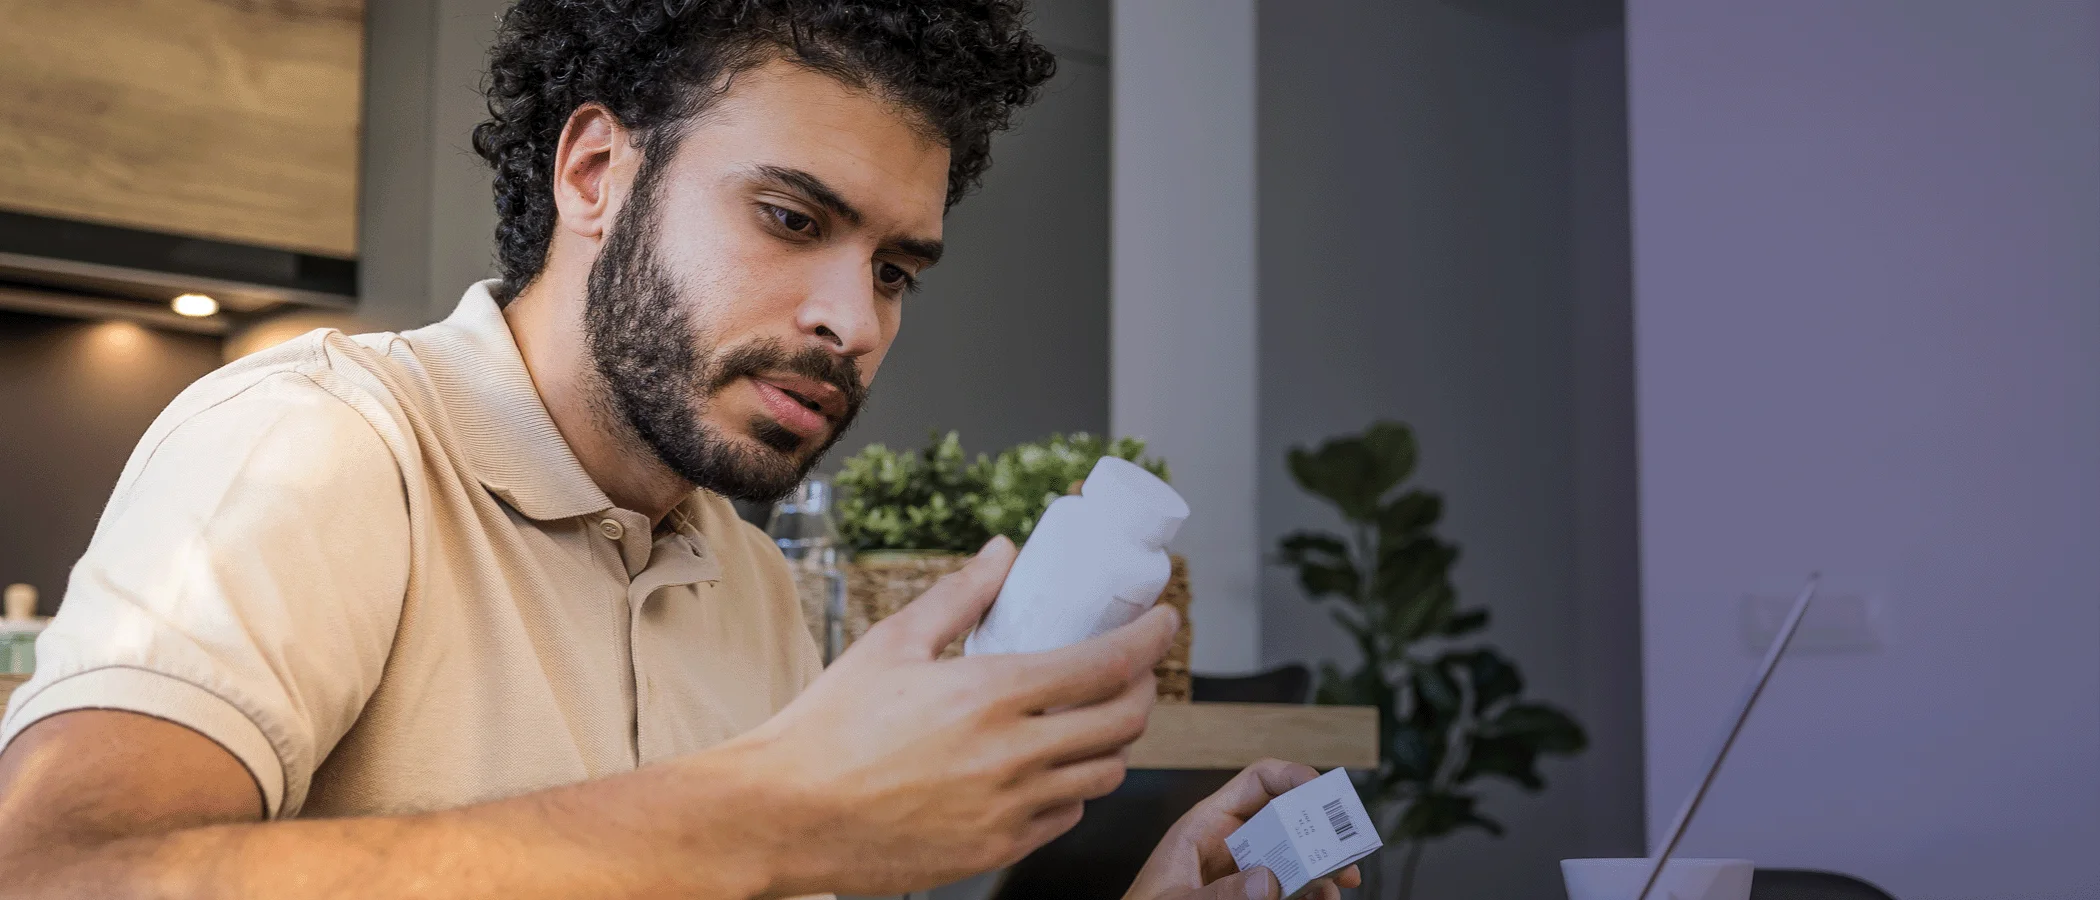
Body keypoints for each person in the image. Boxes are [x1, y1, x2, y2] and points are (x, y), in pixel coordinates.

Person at [0, 2, 1358, 898]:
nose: (852, 317)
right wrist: (775, 809)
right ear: (595, 173)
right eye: (789, 217)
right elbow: (57, 873)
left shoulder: (748, 584)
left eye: (896, 268)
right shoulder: (325, 444)